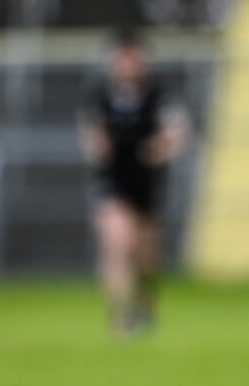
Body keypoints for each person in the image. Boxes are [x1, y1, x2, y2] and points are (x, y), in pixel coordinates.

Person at [78, 29, 190, 337]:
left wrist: (160, 148)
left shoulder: (159, 95)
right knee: (117, 243)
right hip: (113, 180)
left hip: (147, 181)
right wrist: (98, 145)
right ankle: (119, 316)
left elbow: (178, 134)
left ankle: (145, 306)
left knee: (146, 256)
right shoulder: (99, 95)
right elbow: (90, 135)